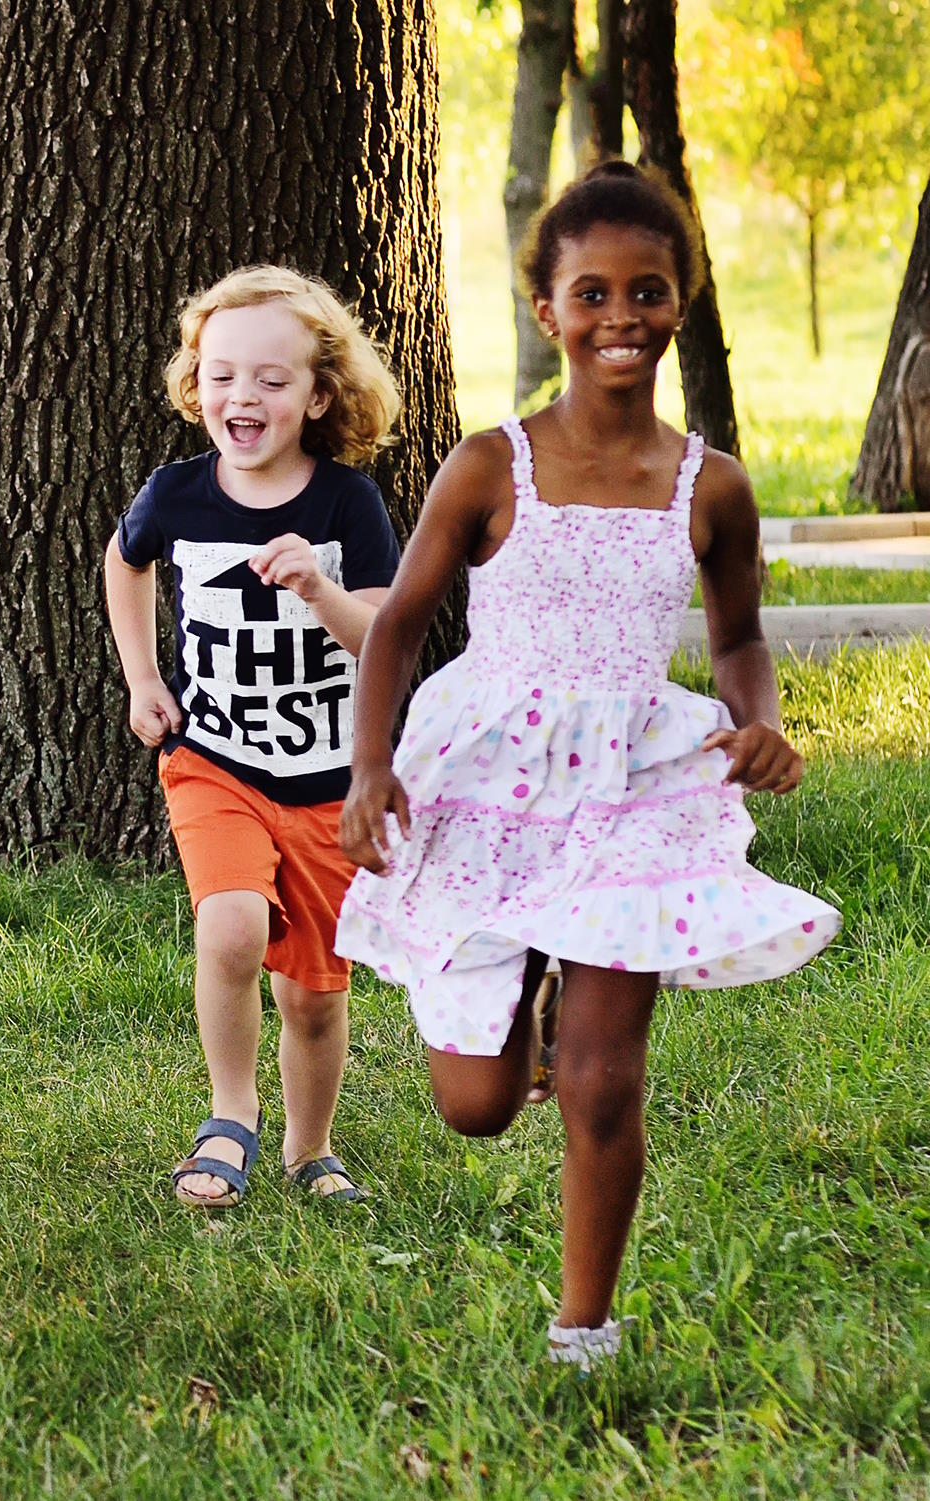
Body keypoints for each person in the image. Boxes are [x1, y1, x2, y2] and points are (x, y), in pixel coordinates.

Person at [335, 162, 837, 1370]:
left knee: (607, 1081)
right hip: (489, 775)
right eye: (594, 292)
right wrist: (369, 767)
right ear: (550, 309)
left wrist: (755, 717)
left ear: (682, 302)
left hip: (636, 786)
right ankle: (528, 989)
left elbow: (738, 635)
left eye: (649, 291)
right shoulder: (490, 463)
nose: (623, 315)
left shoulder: (708, 485)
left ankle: (584, 1328)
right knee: (479, 1106)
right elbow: (400, 620)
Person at [100, 266, 406, 1210]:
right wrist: (144, 677)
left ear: (319, 395)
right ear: (197, 383)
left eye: (273, 380)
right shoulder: (177, 493)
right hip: (214, 760)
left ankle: (310, 1149)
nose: (245, 396)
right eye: (223, 374)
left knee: (314, 995)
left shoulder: (346, 505)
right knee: (228, 924)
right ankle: (230, 1112)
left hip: (326, 778)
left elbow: (387, 636)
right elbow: (124, 561)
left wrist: (319, 587)